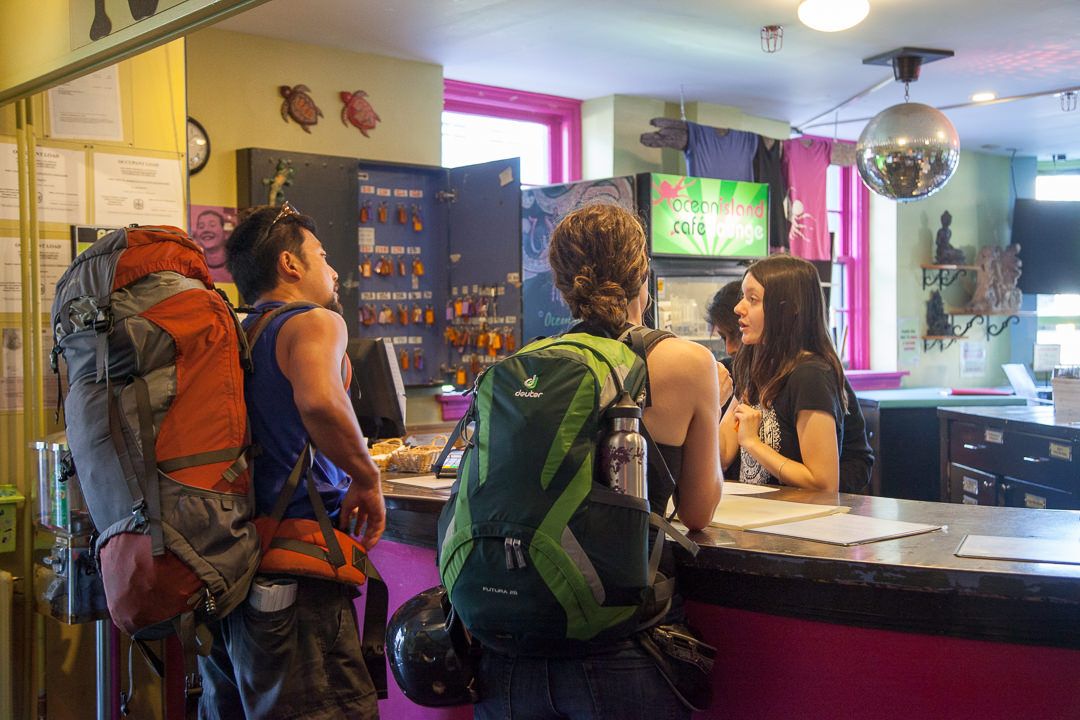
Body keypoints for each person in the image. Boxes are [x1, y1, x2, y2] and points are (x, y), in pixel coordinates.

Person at [472, 203, 724, 720]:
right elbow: (698, 511)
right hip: (619, 648)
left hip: (507, 648)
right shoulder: (688, 361)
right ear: (643, 279)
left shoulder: (527, 365)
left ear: (562, 285)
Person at [199, 202, 386, 720]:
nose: (333, 270)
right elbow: (322, 401)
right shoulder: (313, 321)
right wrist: (367, 478)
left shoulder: (238, 332)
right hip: (298, 575)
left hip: (232, 568)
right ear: (290, 264)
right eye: (322, 256)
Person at [710, 273, 874, 492]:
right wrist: (706, 406)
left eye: (752, 299)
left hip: (803, 517)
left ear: (786, 309)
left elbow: (824, 483)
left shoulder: (811, 375)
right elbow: (721, 456)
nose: (739, 308)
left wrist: (752, 442)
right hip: (759, 513)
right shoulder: (750, 364)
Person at [194, 208, 234, 284]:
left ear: (225, 233)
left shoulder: (236, 268)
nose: (206, 230)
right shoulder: (195, 269)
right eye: (201, 226)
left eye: (212, 225)